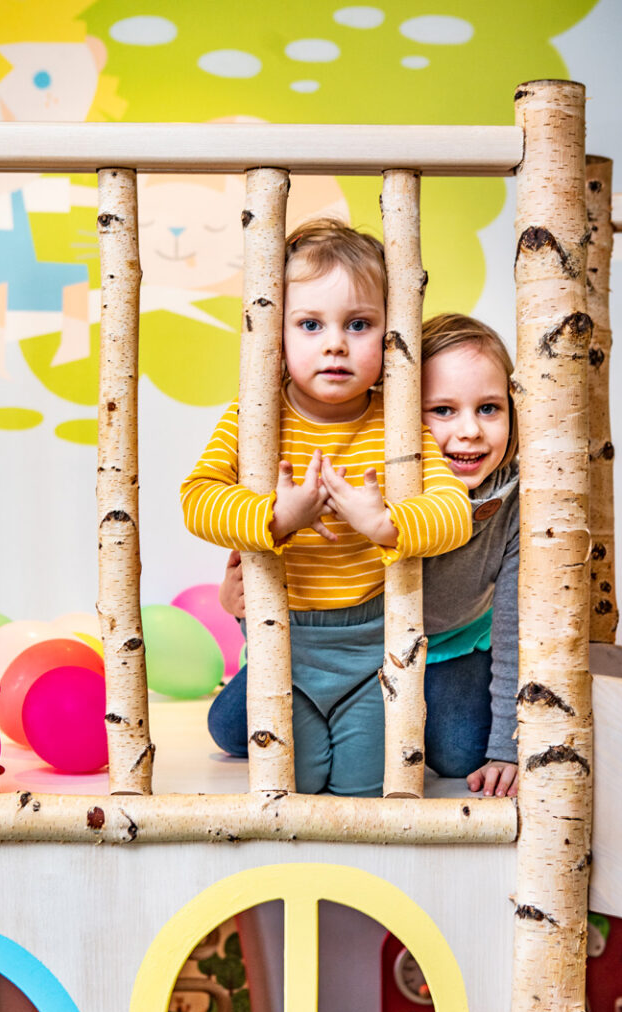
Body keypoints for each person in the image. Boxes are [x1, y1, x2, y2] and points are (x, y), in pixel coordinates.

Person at [181, 221, 472, 797]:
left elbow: (453, 511)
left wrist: (386, 525)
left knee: (363, 784)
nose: (335, 343)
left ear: (390, 336)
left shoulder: (398, 420)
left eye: (358, 325)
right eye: (311, 325)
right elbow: (198, 497)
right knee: (300, 781)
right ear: (277, 334)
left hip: (372, 643)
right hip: (282, 639)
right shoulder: (255, 416)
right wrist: (275, 517)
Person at [210, 312, 519, 798]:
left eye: (488, 408)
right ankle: (305, 694)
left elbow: (514, 627)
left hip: (449, 644)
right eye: (441, 410)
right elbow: (298, 561)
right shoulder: (372, 467)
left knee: (461, 752)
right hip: (350, 649)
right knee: (229, 730)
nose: (469, 431)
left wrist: (508, 743)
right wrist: (233, 603)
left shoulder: (516, 501)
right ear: (399, 416)